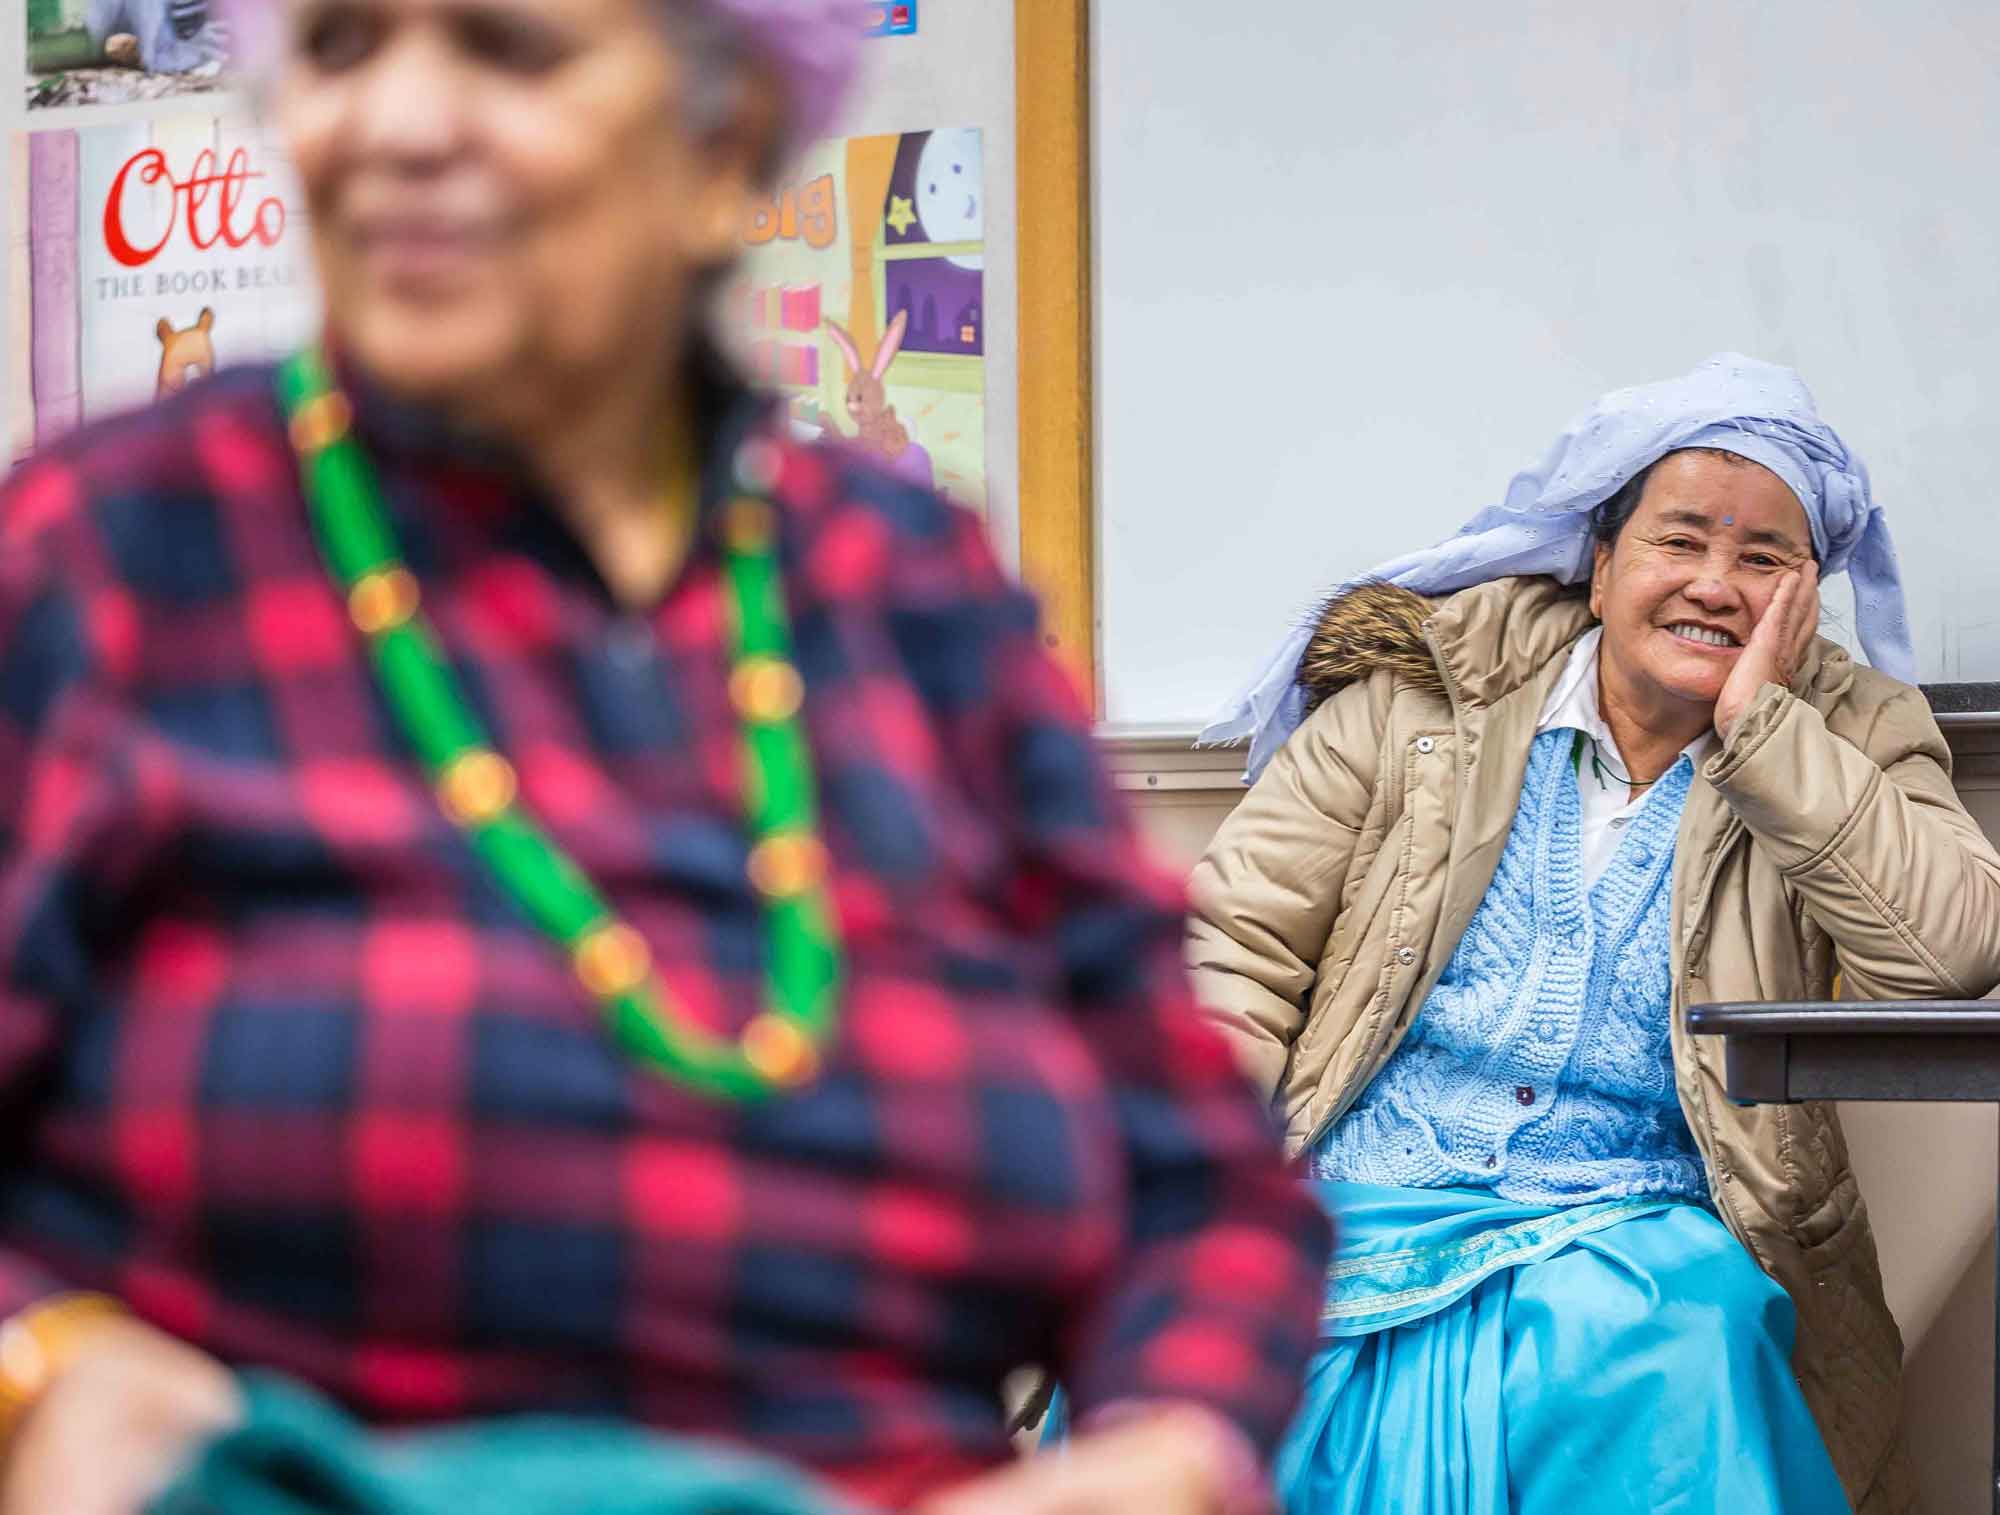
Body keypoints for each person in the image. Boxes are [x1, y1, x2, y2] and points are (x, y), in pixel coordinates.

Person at [0, 3, 1332, 1512]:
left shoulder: (906, 585)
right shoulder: (116, 549)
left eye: (510, 49)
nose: (395, 125)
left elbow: (1203, 1179)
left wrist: (1165, 1443)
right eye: (340, 45)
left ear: (724, 146)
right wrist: (42, 1368)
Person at [1188, 354, 2000, 1515]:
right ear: (1601, 558)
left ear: (1805, 596)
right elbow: (1232, 952)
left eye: (1761, 558)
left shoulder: (1850, 733)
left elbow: (1953, 950)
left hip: (1632, 1225)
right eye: (1679, 541)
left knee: (1670, 1346)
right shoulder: (1417, 699)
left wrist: (1763, 729)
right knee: (1209, 1346)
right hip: (1358, 1188)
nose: (1715, 585)